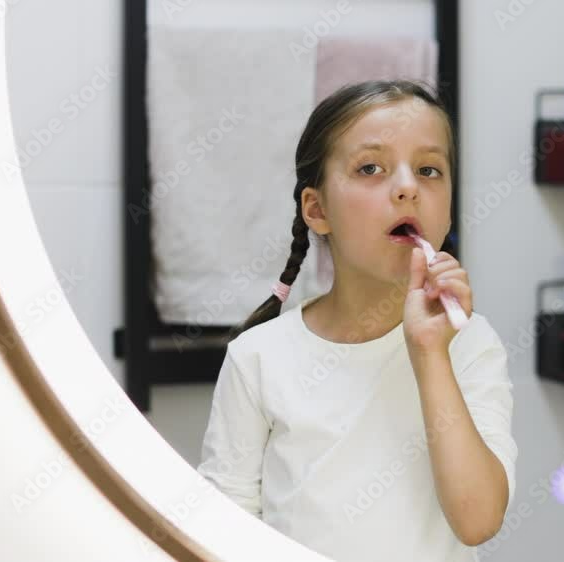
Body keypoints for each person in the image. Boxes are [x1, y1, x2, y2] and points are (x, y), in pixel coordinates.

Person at [196, 80, 517, 562]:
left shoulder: (470, 345)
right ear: (317, 209)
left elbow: (477, 520)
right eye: (371, 168)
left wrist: (430, 354)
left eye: (429, 169)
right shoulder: (258, 358)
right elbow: (225, 535)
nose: (408, 186)